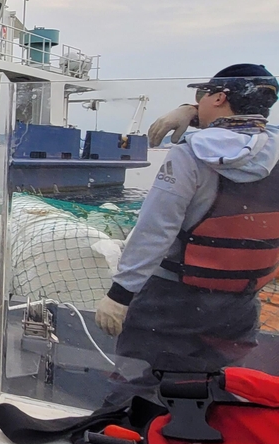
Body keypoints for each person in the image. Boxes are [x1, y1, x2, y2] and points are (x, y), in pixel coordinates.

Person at [96, 63, 279, 401]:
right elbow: (246, 133)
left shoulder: (190, 155)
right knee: (212, 394)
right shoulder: (275, 151)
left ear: (220, 97)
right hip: (239, 308)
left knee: (136, 389)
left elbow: (155, 231)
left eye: (202, 95)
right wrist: (194, 112)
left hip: (171, 304)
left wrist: (119, 296)